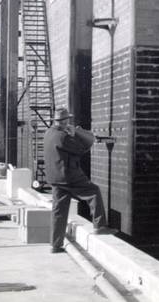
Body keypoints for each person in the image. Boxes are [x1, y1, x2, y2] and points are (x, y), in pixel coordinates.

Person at [44, 108, 114, 253]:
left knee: (59, 211)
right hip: (68, 176)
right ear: (64, 121)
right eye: (67, 119)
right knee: (93, 192)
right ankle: (100, 226)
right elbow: (81, 149)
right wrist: (77, 134)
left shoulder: (48, 133)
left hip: (55, 178)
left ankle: (55, 245)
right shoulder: (63, 137)